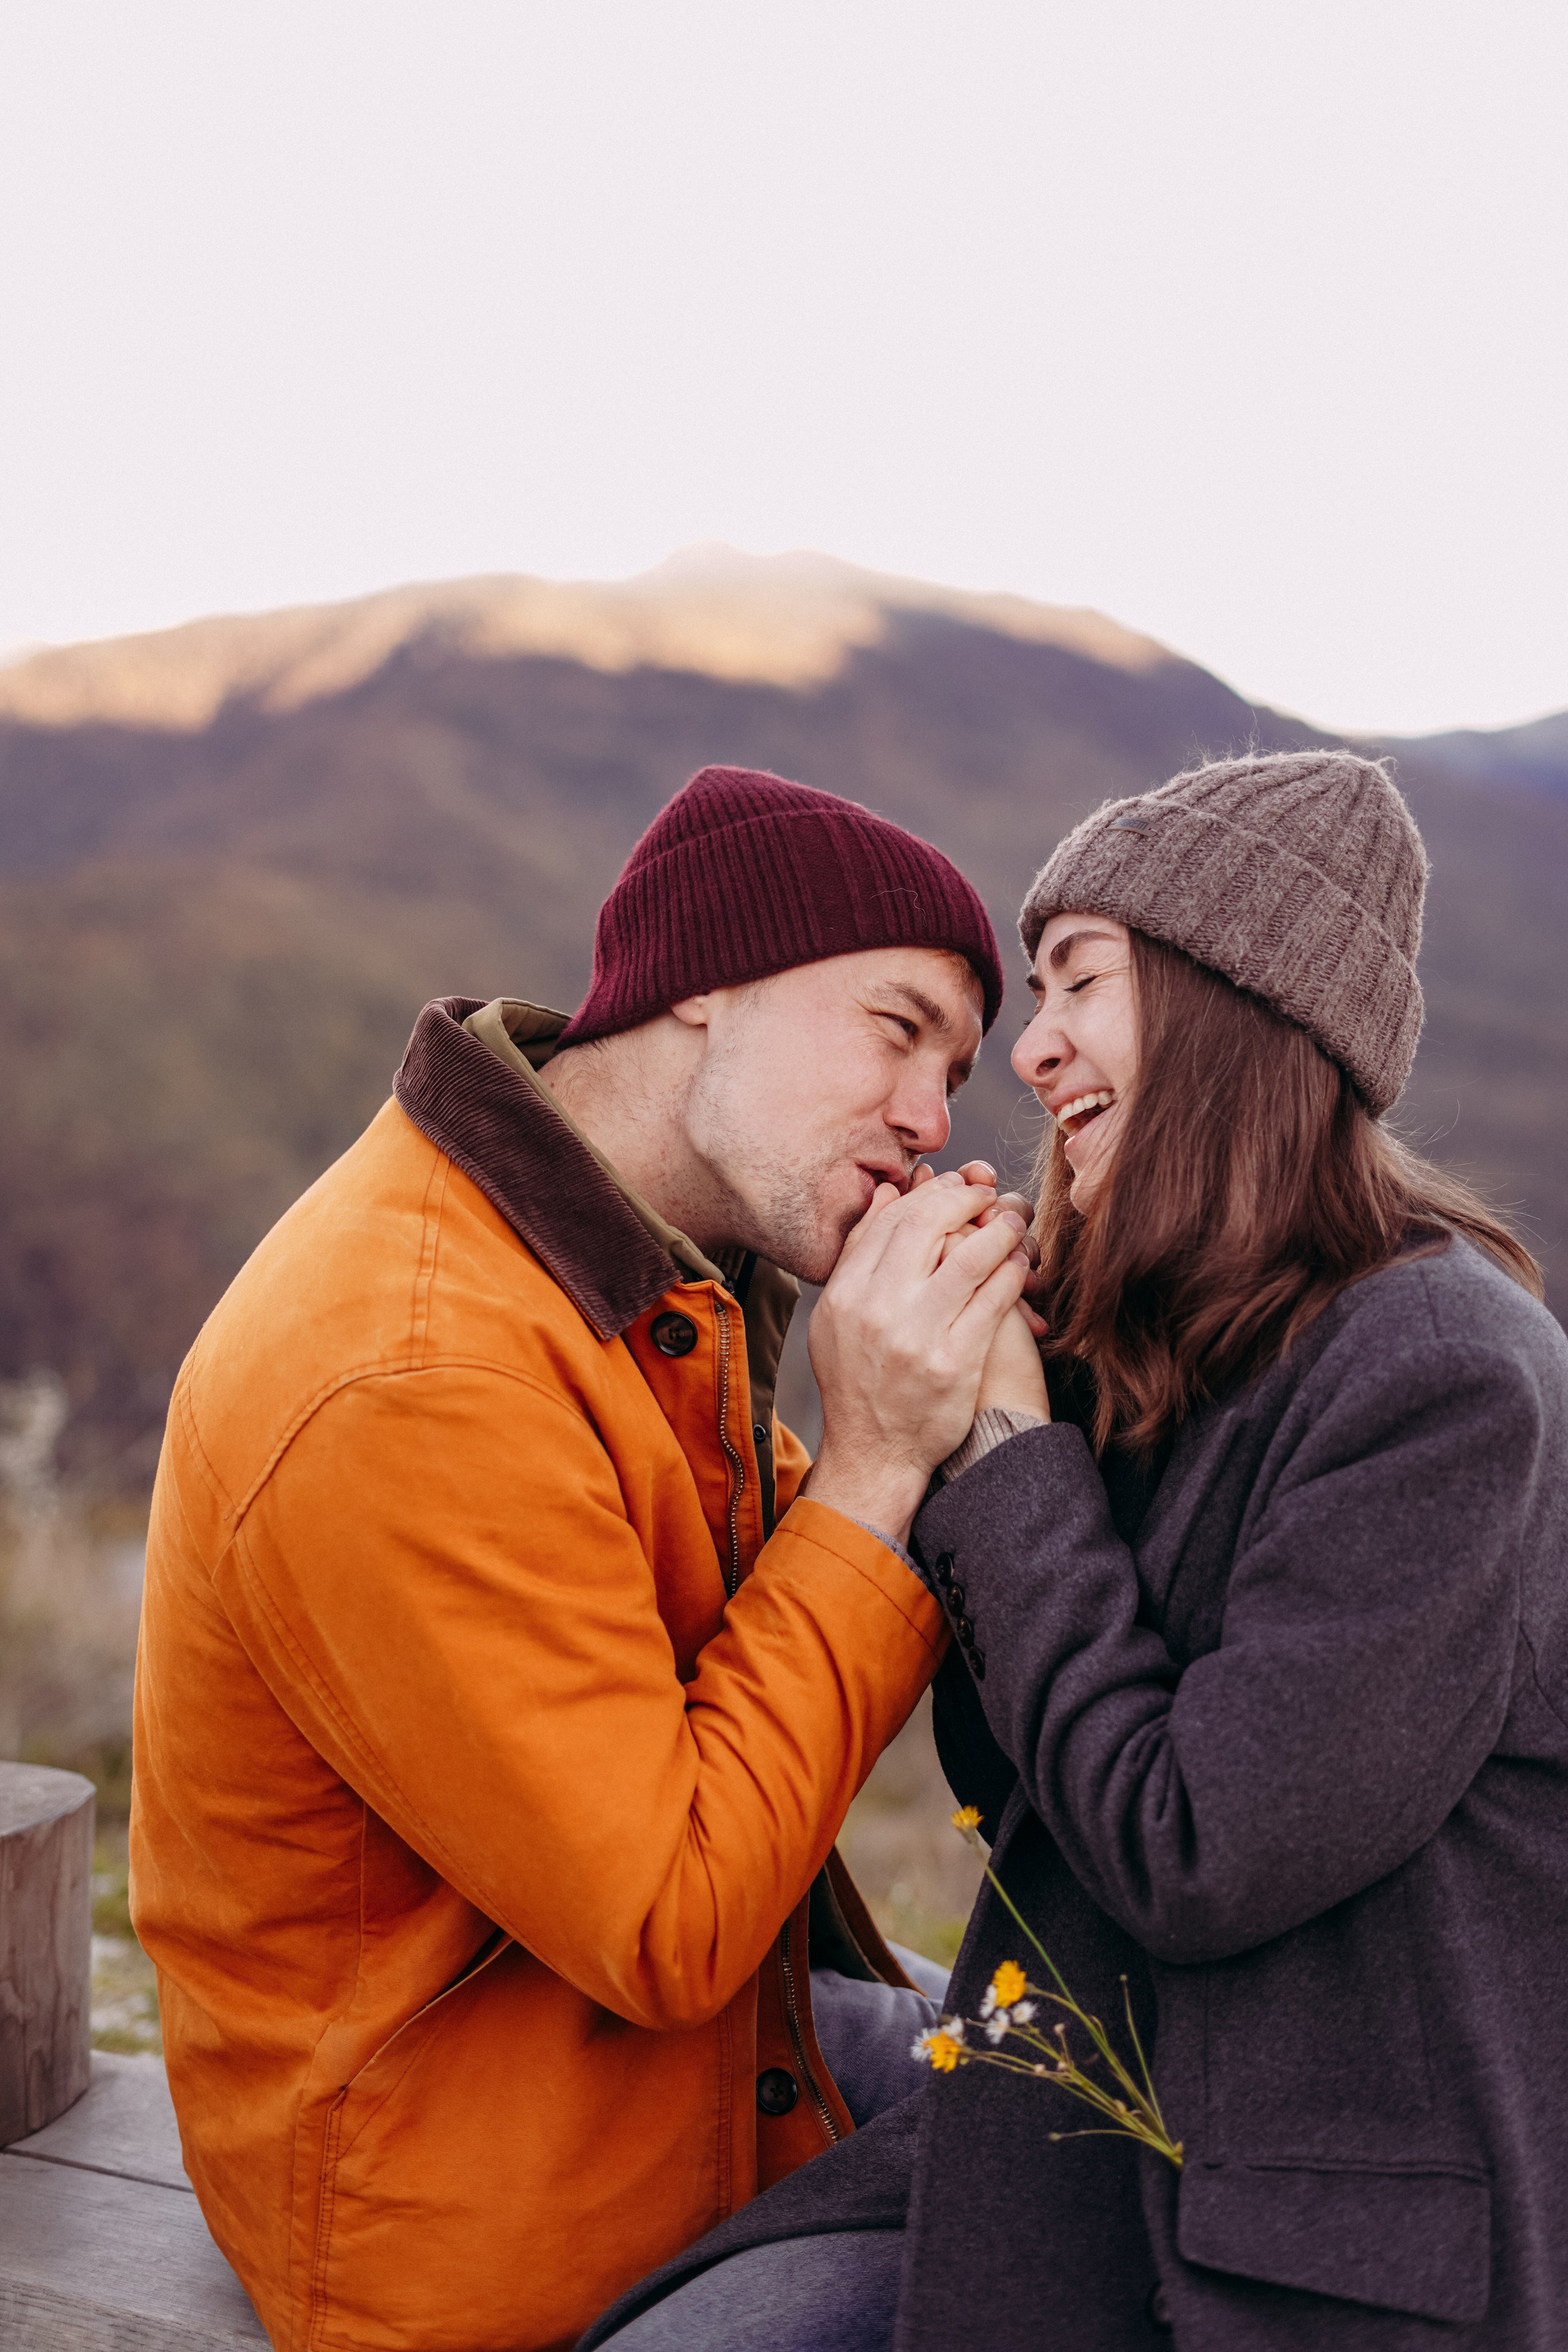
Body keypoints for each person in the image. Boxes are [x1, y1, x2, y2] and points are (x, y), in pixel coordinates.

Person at [583, 750, 1568, 2351]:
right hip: (1094, 2130)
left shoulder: (1447, 1376)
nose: (1029, 1053)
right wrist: (944, 1420)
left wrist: (1010, 1456)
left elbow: (1193, 1850)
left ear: (1240, 1013)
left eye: (1076, 983)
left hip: (1311, 2247)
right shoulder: (1170, 1344)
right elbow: (1027, 1783)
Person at [129, 764, 1038, 2352]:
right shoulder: (417, 1369)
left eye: (953, 1070)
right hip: (472, 2219)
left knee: (1168, 2129)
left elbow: (747, 1625)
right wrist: (883, 1460)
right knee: (1100, 2265)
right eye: (898, 1029)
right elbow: (670, 1913)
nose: (931, 1117)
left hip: (638, 2076)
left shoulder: (627, 1279)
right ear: (709, 984)